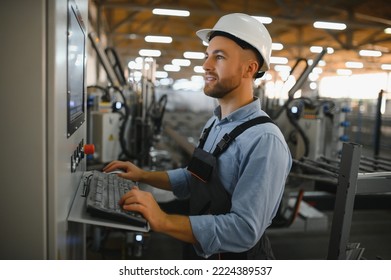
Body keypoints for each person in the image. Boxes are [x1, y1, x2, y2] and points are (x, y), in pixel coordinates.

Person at [103, 13, 292, 259]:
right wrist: (143, 175)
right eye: (207, 56)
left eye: (219, 56)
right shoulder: (215, 122)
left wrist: (164, 220)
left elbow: (244, 230)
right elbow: (194, 178)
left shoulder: (265, 141)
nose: (206, 65)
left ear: (249, 68)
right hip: (200, 249)